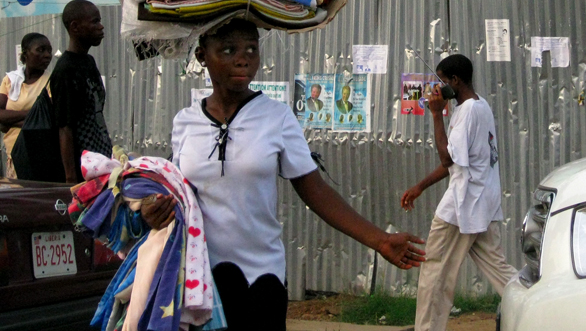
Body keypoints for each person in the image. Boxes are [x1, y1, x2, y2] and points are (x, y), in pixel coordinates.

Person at [142, 19, 425, 331]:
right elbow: (176, 193)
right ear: (201, 56)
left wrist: (380, 240)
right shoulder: (185, 122)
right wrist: (153, 211)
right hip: (200, 280)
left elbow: (314, 189)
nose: (243, 58)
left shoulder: (276, 117)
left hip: (262, 279)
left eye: (251, 48)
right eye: (228, 50)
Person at [401, 54, 517, 331]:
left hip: (462, 204)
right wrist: (420, 187)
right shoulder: (480, 106)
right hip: (483, 202)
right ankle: (540, 311)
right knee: (499, 269)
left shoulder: (466, 113)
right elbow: (457, 160)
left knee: (434, 271)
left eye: (441, 80)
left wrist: (436, 115)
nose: (438, 87)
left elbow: (446, 159)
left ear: (455, 80)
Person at [51, 0, 113, 183]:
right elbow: (65, 127)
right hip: (82, 173)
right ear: (75, 27)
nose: (101, 27)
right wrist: (71, 178)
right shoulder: (65, 70)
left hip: (99, 164)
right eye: (94, 22)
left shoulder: (88, 62)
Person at [0, 33, 53, 178]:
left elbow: (46, 122)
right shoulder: (10, 80)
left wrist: (8, 121)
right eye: (41, 50)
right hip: (12, 156)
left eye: (49, 50)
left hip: (37, 158)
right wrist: (34, 114)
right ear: (25, 54)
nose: (47, 55)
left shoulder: (51, 82)